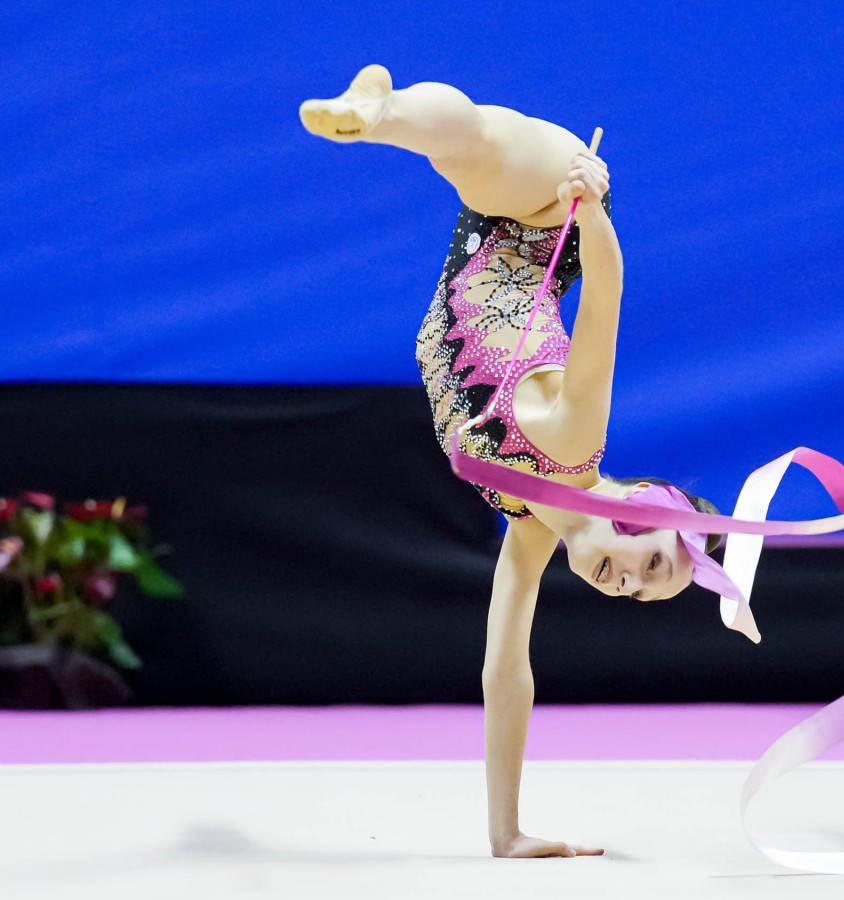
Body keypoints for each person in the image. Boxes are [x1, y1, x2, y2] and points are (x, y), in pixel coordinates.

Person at [299, 65, 737, 859]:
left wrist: (507, 833)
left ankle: (389, 111)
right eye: (649, 561)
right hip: (549, 218)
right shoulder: (574, 442)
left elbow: (505, 674)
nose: (627, 582)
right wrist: (590, 206)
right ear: (640, 500)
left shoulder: (528, 526)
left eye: (642, 591)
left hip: (487, 245)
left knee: (462, 159)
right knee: (470, 145)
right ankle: (380, 110)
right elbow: (605, 298)